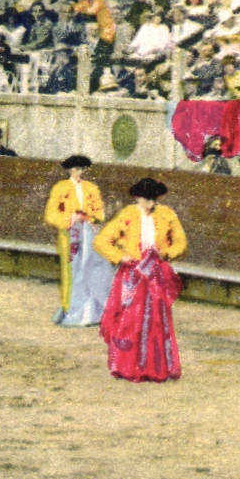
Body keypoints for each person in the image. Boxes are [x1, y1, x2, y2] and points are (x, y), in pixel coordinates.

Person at [93, 178, 187, 383]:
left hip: (155, 275)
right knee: (128, 320)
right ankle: (127, 366)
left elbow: (180, 242)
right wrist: (120, 256)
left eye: (154, 200)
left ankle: (154, 368)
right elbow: (101, 240)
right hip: (132, 275)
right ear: (137, 197)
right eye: (146, 200)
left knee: (156, 321)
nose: (151, 204)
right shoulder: (127, 214)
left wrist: (167, 253)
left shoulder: (167, 214)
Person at [44, 155, 113, 328]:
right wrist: (70, 218)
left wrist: (89, 217)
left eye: (81, 169)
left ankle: (92, 312)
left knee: (91, 268)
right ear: (69, 170)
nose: (78, 172)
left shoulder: (91, 188)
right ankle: (71, 310)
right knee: (72, 271)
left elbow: (100, 212)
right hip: (70, 234)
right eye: (75, 169)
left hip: (89, 232)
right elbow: (51, 214)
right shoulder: (60, 188)